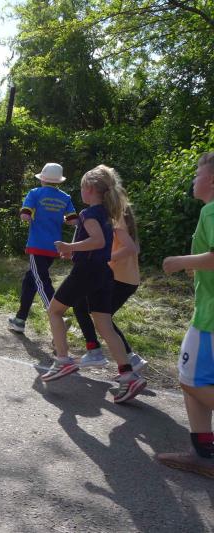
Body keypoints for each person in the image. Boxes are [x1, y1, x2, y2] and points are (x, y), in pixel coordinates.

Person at [41, 165, 147, 404]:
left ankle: (63, 360)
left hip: (87, 272)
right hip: (104, 274)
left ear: (89, 189)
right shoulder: (108, 214)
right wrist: (75, 251)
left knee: (54, 311)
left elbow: (97, 241)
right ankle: (128, 375)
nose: (80, 191)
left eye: (81, 187)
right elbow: (99, 244)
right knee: (104, 324)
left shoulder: (88, 214)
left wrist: (70, 247)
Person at [157, 152, 214, 477]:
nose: (193, 179)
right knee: (197, 381)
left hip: (210, 317)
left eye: (197, 173)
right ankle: (203, 452)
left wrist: (181, 262)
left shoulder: (212, 209)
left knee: (189, 379)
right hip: (206, 310)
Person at [75, 202, 148, 372]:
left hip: (119, 279)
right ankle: (128, 358)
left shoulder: (117, 219)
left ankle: (97, 352)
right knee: (99, 316)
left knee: (90, 312)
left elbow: (131, 248)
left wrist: (106, 257)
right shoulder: (123, 219)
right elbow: (135, 247)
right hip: (126, 279)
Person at [8, 163, 78, 333]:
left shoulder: (35, 193)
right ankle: (20, 320)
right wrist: (59, 217)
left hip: (37, 245)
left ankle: (58, 316)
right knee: (30, 280)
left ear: (43, 179)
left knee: (41, 281)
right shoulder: (65, 197)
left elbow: (24, 215)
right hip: (54, 247)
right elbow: (73, 221)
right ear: (58, 181)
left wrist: (31, 216)